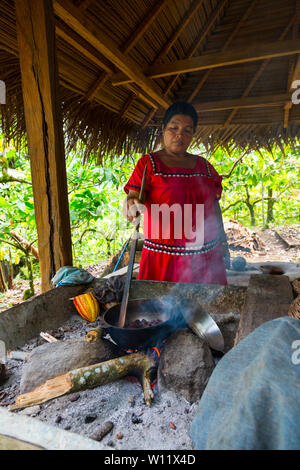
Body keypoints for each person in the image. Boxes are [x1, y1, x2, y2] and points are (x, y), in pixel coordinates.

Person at [123, 101, 229, 284]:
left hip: (205, 255)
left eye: (187, 130)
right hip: (164, 259)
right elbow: (133, 197)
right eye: (174, 128)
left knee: (206, 309)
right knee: (159, 310)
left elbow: (214, 205)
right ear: (163, 128)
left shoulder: (204, 166)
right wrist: (130, 205)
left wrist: (223, 241)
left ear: (193, 134)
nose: (180, 135)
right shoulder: (149, 164)